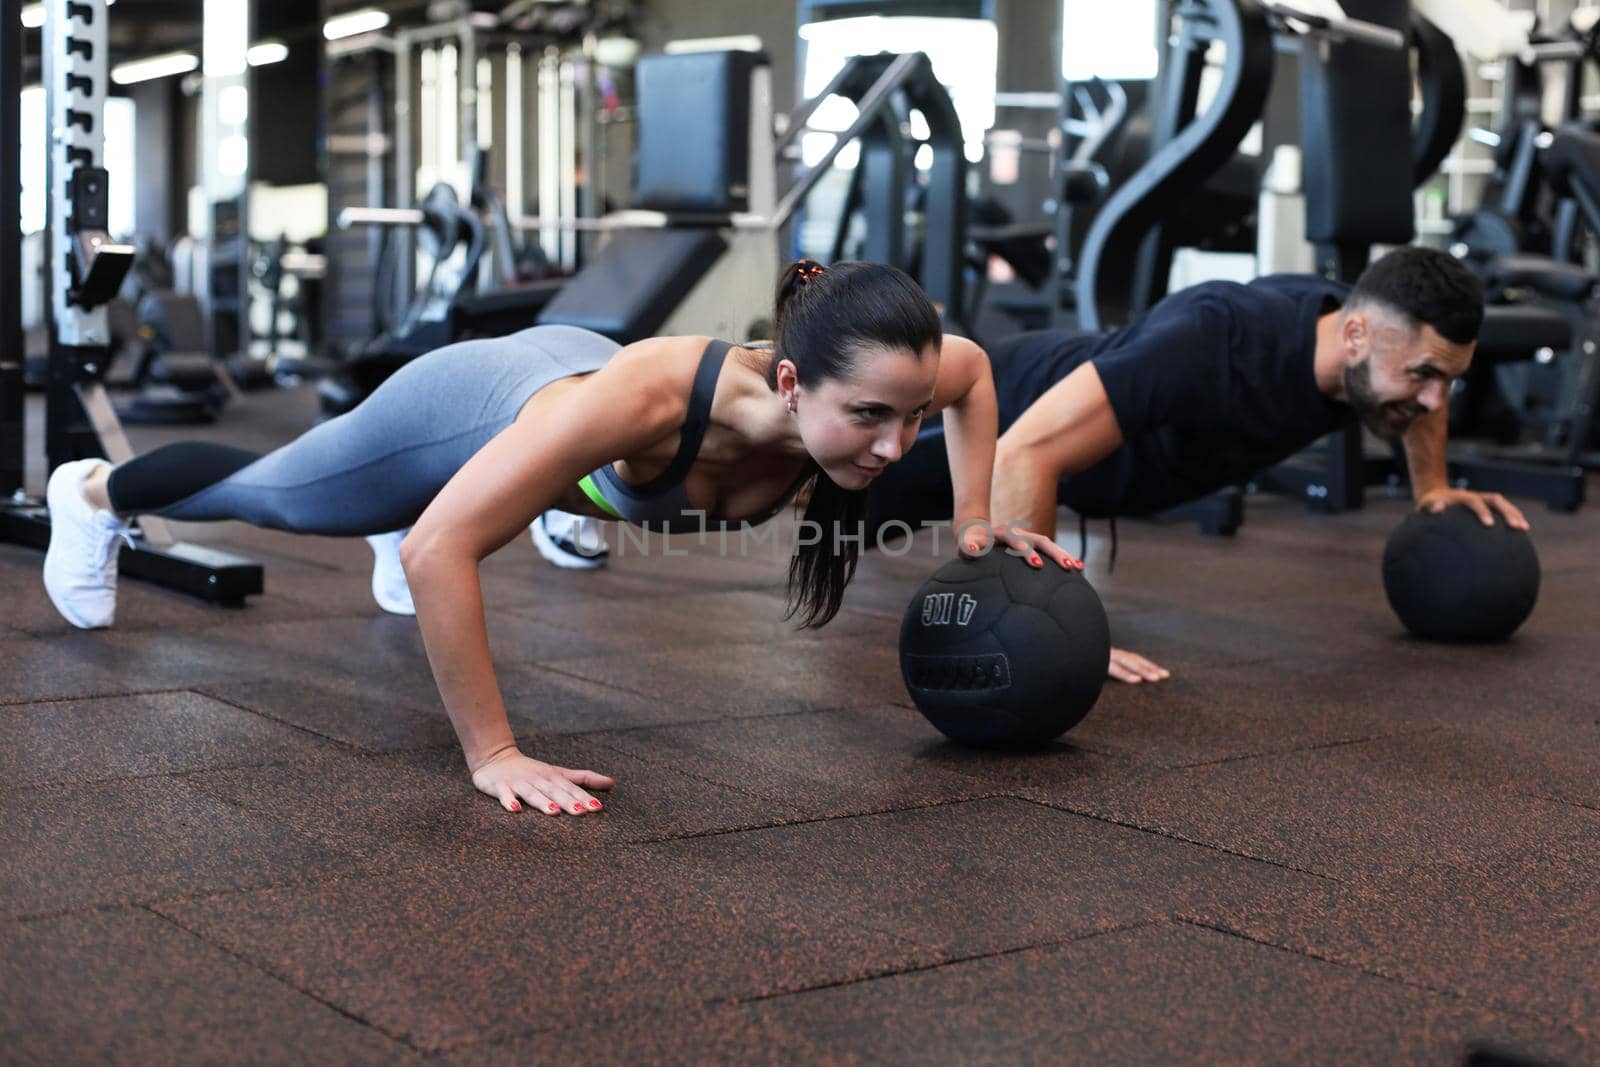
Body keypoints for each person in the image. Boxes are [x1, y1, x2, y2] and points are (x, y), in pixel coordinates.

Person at [40, 260, 1077, 815]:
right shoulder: (646, 408)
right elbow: (438, 553)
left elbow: (976, 374)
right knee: (280, 493)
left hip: (572, 382)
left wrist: (980, 522)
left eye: (908, 416)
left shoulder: (880, 371)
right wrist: (494, 752)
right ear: (794, 384)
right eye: (871, 419)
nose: (898, 444)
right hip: (477, 401)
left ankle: (483, 500)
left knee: (479, 506)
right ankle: (92, 491)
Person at [868, 245, 1530, 684]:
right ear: (1356, 336)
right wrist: (1049, 626)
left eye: (1449, 379)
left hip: (1087, 458)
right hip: (999, 412)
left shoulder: (1369, 340)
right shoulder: (1218, 338)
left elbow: (1428, 392)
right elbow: (1025, 451)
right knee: (819, 492)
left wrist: (1434, 488)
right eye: (1422, 375)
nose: (1435, 400)